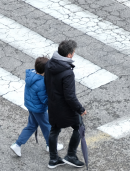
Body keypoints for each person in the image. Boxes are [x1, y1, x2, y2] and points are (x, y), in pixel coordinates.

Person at [45, 40, 87, 169]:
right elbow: (69, 96)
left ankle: (53, 159)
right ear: (69, 55)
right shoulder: (67, 72)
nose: (74, 54)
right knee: (80, 127)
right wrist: (80, 109)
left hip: (52, 105)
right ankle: (71, 156)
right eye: (73, 52)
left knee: (54, 130)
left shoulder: (49, 64)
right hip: (64, 109)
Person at [10, 56, 63, 157]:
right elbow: (44, 100)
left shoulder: (31, 75)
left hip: (31, 106)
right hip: (38, 109)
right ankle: (51, 146)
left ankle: (17, 144)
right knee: (47, 127)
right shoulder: (41, 83)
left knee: (32, 126)